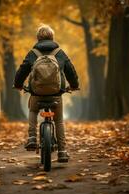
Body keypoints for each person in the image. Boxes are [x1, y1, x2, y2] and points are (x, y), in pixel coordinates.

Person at [13, 24, 79, 162]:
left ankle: (32, 138)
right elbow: (70, 70)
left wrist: (18, 85)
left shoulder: (33, 53)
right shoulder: (59, 53)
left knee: (32, 111)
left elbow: (22, 70)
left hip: (37, 94)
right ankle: (62, 151)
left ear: (38, 38)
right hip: (56, 94)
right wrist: (74, 85)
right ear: (52, 37)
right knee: (59, 120)